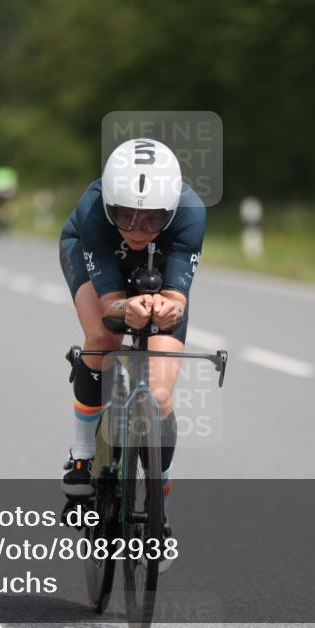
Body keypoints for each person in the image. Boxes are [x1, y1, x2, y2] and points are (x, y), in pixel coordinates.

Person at [58, 138, 206, 525]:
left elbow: (177, 297)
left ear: (170, 212)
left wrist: (165, 307)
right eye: (123, 215)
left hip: (159, 266)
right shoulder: (93, 210)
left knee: (158, 396)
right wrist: (127, 308)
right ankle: (81, 451)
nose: (136, 229)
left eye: (151, 220)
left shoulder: (190, 213)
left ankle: (161, 498)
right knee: (104, 339)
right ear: (109, 206)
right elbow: (110, 306)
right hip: (89, 249)